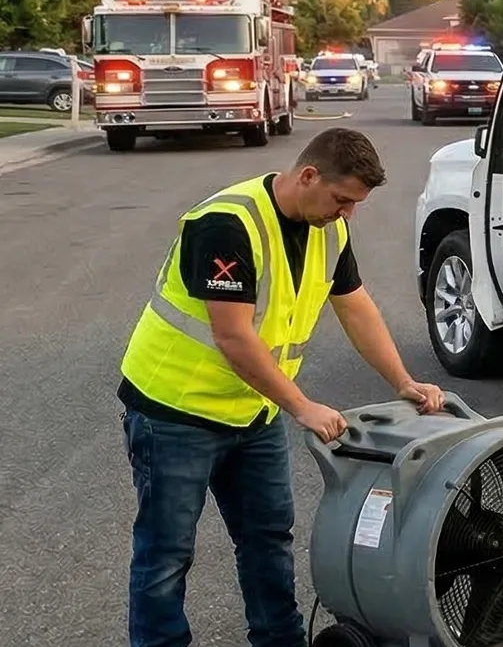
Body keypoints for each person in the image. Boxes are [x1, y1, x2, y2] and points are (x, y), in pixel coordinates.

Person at [117, 128, 446, 647]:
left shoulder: (330, 230)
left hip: (252, 411)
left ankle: (279, 640)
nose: (347, 214)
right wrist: (301, 406)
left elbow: (357, 308)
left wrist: (402, 380)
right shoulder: (227, 223)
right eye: (342, 200)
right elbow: (233, 335)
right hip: (174, 409)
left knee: (268, 538)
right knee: (166, 552)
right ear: (309, 176)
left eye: (355, 205)